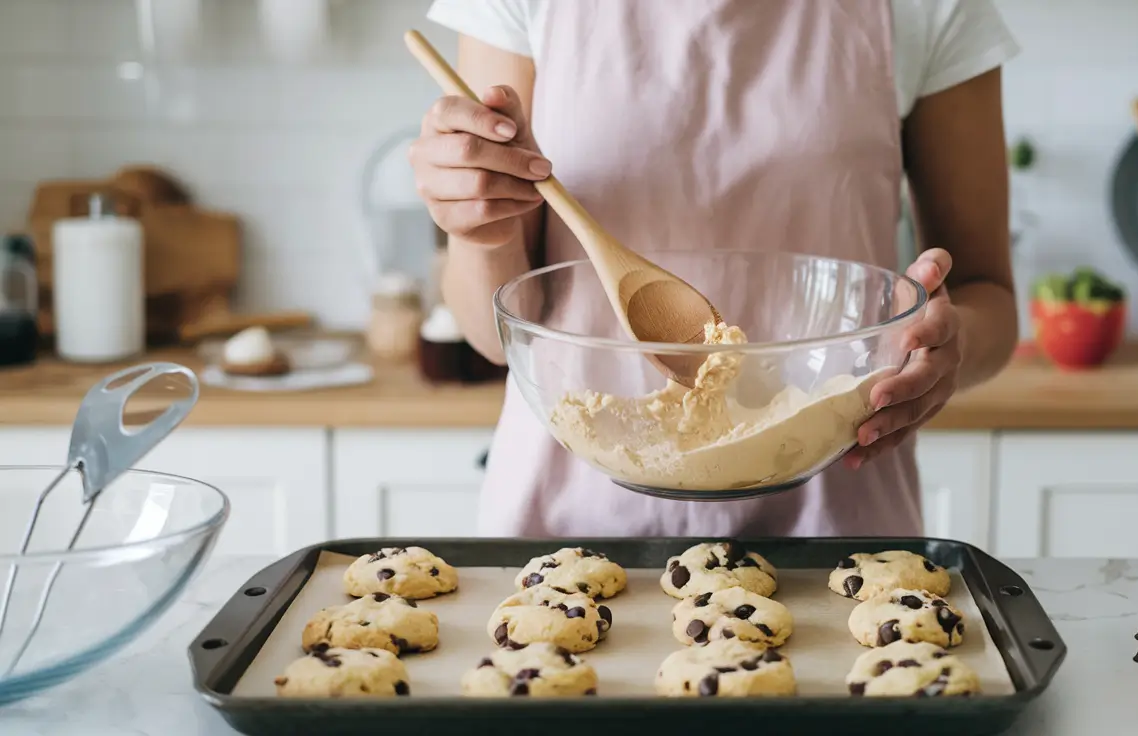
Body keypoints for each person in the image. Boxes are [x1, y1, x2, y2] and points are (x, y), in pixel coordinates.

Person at [412, 0, 1020, 537]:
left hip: (835, 525)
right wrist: (481, 228)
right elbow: (494, 336)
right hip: (569, 528)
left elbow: (985, 294)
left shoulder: (933, 8)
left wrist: (948, 342)